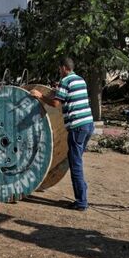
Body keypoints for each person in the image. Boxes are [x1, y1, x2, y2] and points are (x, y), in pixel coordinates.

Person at [35, 58, 94, 210]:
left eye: (59, 69)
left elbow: (55, 104)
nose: (59, 71)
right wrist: (57, 91)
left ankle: (81, 202)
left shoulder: (65, 81)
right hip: (88, 125)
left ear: (63, 68)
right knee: (77, 159)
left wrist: (40, 96)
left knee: (75, 164)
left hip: (77, 127)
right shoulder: (80, 80)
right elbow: (70, 98)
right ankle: (83, 195)